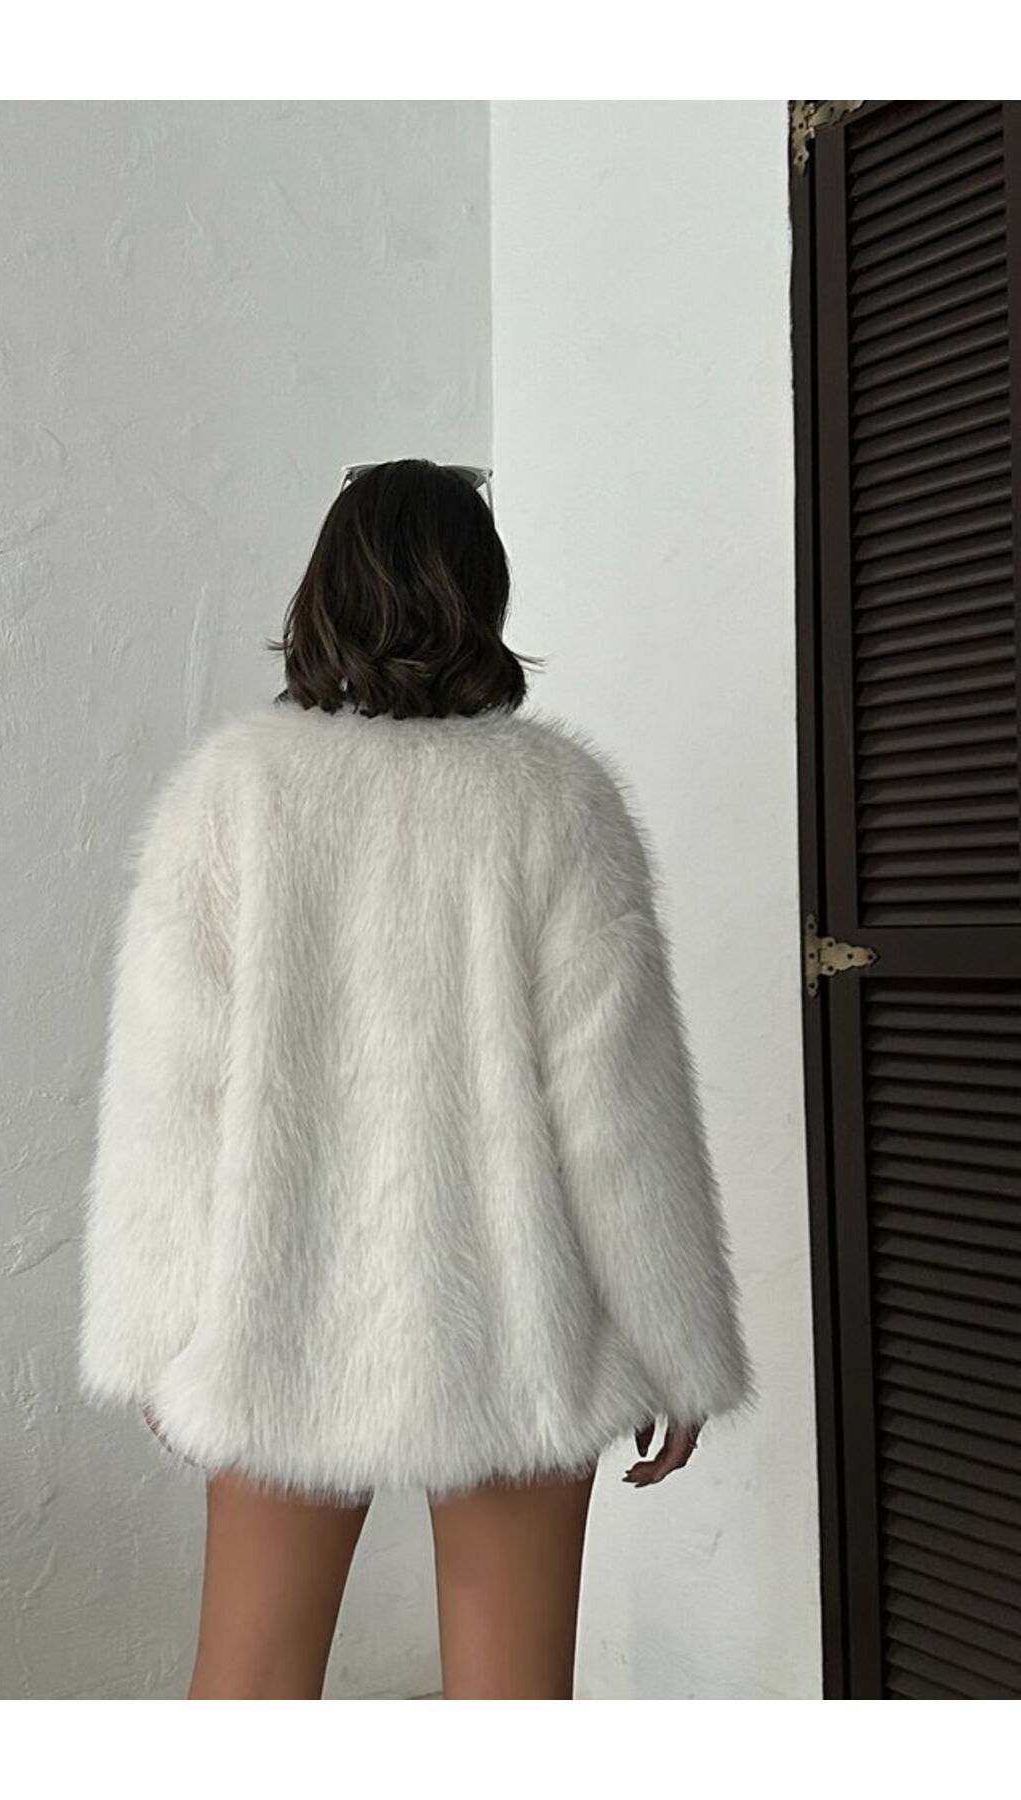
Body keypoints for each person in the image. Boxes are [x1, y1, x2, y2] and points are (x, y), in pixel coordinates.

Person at [78, 457, 757, 1701]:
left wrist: (156, 1332)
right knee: (511, 1709)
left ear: (323, 592)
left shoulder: (232, 794)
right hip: (515, 1325)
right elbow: (618, 1111)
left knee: (247, 1692)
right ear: (479, 596)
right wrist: (676, 1340)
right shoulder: (559, 801)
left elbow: (172, 1100)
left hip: (277, 1313)